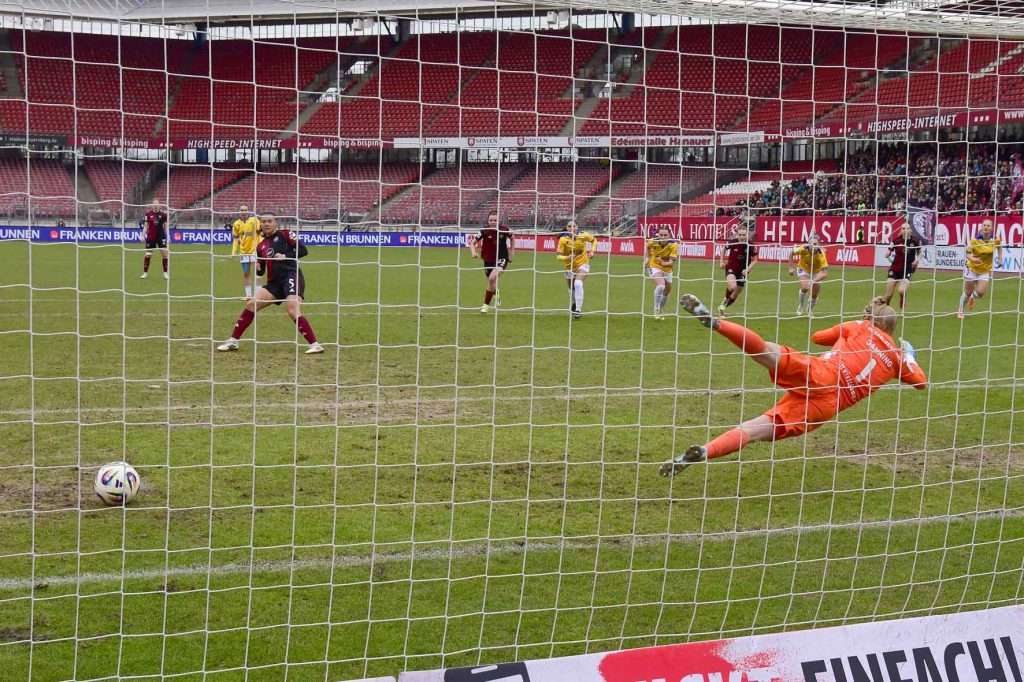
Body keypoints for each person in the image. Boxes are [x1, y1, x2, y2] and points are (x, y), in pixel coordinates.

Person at [659, 294, 927, 476]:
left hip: (823, 373)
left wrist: (847, 330)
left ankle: (717, 323)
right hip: (829, 405)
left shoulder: (860, 326)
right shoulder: (897, 358)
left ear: (872, 319)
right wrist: (909, 356)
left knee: (766, 351)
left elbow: (818, 337)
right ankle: (704, 451)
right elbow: (921, 383)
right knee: (754, 429)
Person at [217, 213, 323, 354]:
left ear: (275, 223)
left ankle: (315, 344)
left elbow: (304, 250)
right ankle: (233, 341)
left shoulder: (286, 234)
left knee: (292, 309)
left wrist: (285, 256)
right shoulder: (261, 246)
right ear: (260, 224)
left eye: (269, 221)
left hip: (291, 276)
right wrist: (258, 268)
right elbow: (261, 272)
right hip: (274, 283)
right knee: (251, 304)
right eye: (264, 221)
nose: (266, 224)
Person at [469, 210, 514, 314]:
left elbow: (512, 238)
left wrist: (511, 253)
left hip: (501, 258)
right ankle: (495, 292)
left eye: (495, 220)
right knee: (491, 282)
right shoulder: (484, 231)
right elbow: (472, 243)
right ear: (488, 220)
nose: (493, 222)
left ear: (499, 220)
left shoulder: (504, 230)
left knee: (492, 278)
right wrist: (473, 252)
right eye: (491, 220)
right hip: (488, 259)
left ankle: (485, 305)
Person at [958, 219, 1003, 319]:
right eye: (984, 225)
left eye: (988, 226)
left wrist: (1000, 259)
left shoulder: (995, 239)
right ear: (982, 227)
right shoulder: (975, 240)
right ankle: (960, 310)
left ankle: (972, 298)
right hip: (971, 268)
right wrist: (974, 259)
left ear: (992, 228)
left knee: (980, 293)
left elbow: (999, 247)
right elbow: (968, 253)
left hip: (985, 270)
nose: (986, 227)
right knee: (968, 292)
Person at [557, 219, 598, 319]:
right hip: (569, 267)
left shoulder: (583, 235)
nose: (572, 228)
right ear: (566, 228)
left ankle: (578, 310)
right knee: (571, 288)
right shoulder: (563, 240)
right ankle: (574, 303)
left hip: (583, 264)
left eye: (574, 226)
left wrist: (592, 251)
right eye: (569, 226)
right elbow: (558, 256)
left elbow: (594, 240)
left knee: (578, 283)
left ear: (577, 227)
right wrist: (567, 257)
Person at [718, 224, 758, 316]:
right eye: (740, 235)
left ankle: (722, 306)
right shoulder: (732, 242)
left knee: (735, 294)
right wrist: (721, 261)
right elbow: (723, 249)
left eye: (744, 235)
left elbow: (755, 260)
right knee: (733, 287)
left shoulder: (751, 245)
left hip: (743, 271)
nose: (742, 237)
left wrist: (748, 269)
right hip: (731, 268)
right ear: (737, 235)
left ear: (747, 235)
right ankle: (724, 302)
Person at [883, 223, 921, 310]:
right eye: (903, 228)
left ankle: (902, 298)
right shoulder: (896, 241)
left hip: (907, 270)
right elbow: (889, 251)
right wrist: (887, 253)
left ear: (910, 230)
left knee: (901, 290)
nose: (905, 230)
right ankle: (886, 309)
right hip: (895, 269)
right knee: (888, 295)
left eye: (907, 228)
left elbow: (920, 252)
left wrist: (917, 260)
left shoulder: (915, 241)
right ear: (901, 230)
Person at [789, 234, 828, 316]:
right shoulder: (803, 248)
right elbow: (791, 253)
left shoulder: (821, 254)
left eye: (815, 244)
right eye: (811, 244)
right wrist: (791, 267)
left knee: (814, 294)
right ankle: (801, 306)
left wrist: (813, 281)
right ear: (808, 244)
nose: (813, 246)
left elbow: (824, 273)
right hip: (803, 269)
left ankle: (810, 309)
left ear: (818, 244)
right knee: (805, 287)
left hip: (816, 272)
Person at [645, 226, 678, 321]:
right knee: (661, 286)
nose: (663, 237)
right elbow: (647, 247)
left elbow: (671, 262)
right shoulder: (652, 241)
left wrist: (663, 262)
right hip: (654, 265)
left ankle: (660, 308)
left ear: (669, 235)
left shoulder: (673, 245)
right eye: (661, 235)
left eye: (665, 235)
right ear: (658, 235)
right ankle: (656, 309)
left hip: (667, 268)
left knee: (667, 290)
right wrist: (647, 258)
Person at [231, 205, 261, 298]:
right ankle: (248, 296)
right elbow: (235, 239)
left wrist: (260, 247)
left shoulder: (254, 220)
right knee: (246, 273)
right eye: (242, 210)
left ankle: (258, 295)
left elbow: (260, 233)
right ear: (239, 212)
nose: (243, 212)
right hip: (243, 252)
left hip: (255, 251)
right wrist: (234, 251)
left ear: (248, 211)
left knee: (258, 273)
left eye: (245, 210)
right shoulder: (236, 224)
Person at [139, 202, 169, 280]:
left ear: (159, 206)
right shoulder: (148, 214)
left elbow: (165, 226)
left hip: (161, 236)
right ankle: (145, 273)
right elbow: (146, 226)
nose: (155, 206)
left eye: (157, 205)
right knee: (148, 254)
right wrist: (142, 235)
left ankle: (165, 273)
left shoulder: (164, 215)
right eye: (154, 205)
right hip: (151, 237)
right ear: (152, 206)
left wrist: (168, 236)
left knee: (164, 254)